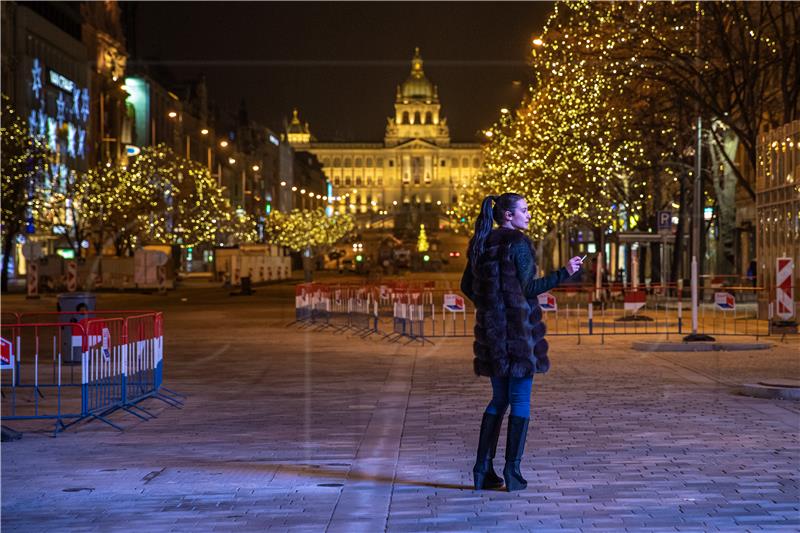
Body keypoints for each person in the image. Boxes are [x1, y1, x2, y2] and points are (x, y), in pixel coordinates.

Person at [460, 193, 582, 491]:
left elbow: (466, 286)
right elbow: (529, 288)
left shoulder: (482, 242)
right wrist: (565, 272)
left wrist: (492, 305)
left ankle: (481, 470)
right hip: (518, 335)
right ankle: (512, 472)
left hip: (492, 334)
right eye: (524, 210)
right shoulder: (518, 244)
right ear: (508, 216)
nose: (529, 214)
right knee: (520, 401)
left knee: (498, 400)